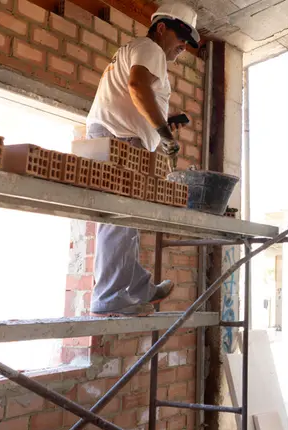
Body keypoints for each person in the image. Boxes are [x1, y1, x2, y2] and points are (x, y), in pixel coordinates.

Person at [86, 1, 200, 317]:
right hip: (120, 140)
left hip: (115, 136)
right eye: (181, 37)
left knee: (127, 219)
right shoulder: (151, 49)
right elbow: (137, 86)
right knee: (120, 217)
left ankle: (138, 288)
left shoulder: (137, 50)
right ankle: (109, 296)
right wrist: (163, 133)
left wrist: (163, 121)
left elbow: (134, 96)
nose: (183, 46)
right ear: (161, 28)